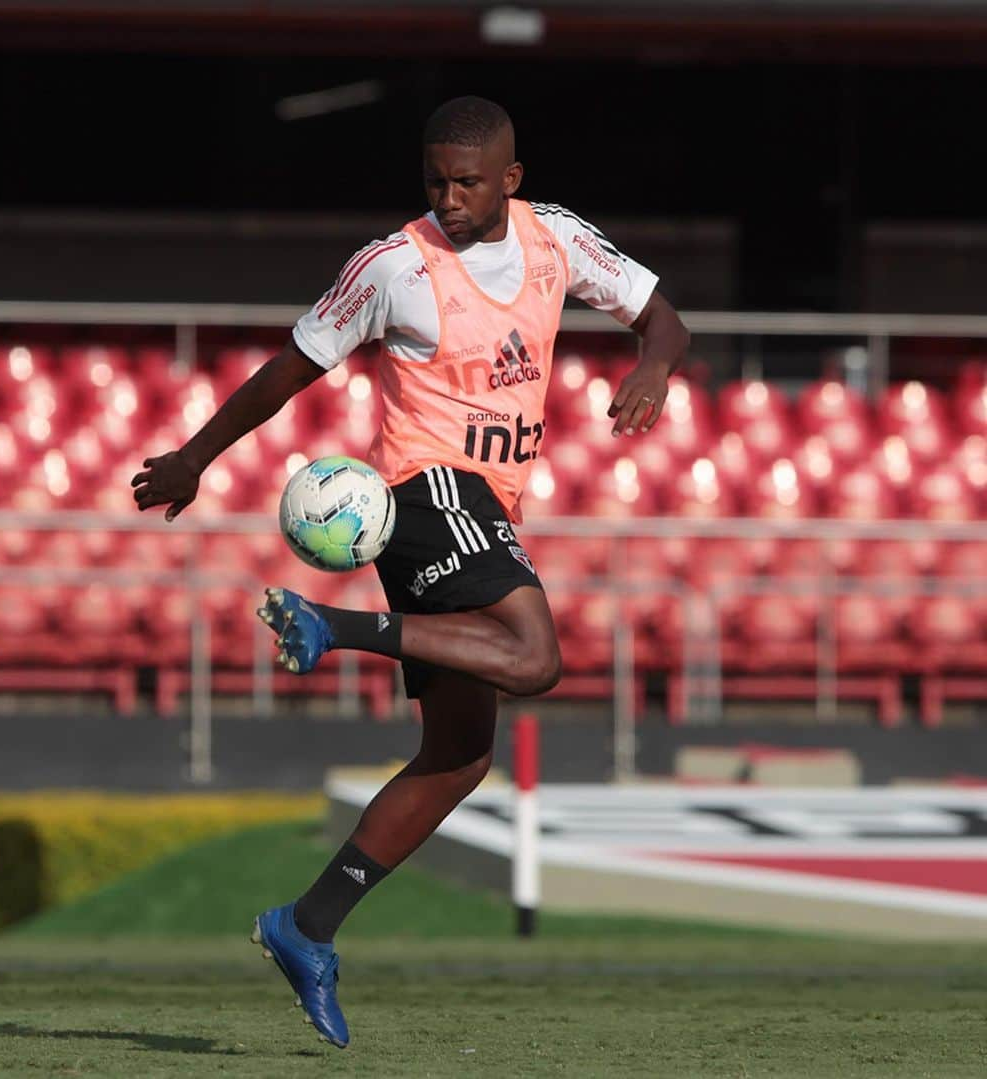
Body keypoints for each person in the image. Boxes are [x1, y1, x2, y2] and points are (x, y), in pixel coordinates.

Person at [131, 95, 689, 1048]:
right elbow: (292, 366)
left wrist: (654, 367)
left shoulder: (557, 242)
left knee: (460, 753)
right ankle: (330, 626)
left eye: (467, 180)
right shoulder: (394, 266)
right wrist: (197, 454)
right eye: (435, 178)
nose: (448, 195)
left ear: (510, 179)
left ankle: (305, 928)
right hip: (424, 494)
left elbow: (665, 318)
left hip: (490, 508)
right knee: (537, 655)